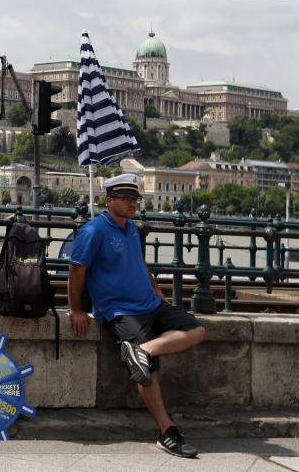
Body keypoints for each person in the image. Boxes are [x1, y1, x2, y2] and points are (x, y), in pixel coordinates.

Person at [67, 173, 206, 459]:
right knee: (148, 369)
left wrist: (156, 288)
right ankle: (167, 432)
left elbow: (139, 261)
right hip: (120, 310)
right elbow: (76, 270)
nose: (133, 203)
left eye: (135, 199)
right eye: (126, 199)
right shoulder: (93, 231)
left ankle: (141, 350)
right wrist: (76, 310)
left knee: (196, 330)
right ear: (109, 201)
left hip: (149, 304)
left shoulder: (131, 228)